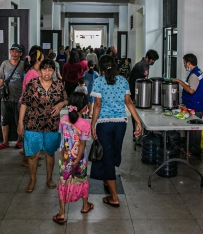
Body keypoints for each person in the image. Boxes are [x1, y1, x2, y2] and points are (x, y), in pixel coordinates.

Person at [90, 55, 142, 207]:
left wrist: (93, 124)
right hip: (121, 124)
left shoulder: (99, 81)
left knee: (107, 158)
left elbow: (97, 105)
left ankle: (114, 197)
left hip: (104, 124)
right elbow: (129, 102)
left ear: (101, 66)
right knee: (113, 154)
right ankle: (108, 179)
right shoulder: (123, 80)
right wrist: (138, 122)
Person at [18, 59, 68, 193]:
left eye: (50, 70)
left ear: (53, 71)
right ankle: (32, 179)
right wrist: (20, 122)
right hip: (33, 124)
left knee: (50, 153)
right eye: (44, 69)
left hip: (52, 124)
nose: (47, 72)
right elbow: (24, 103)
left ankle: (49, 178)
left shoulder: (58, 85)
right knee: (33, 154)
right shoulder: (32, 84)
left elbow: (66, 99)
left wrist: (60, 105)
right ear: (40, 70)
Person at [53, 92, 93, 225]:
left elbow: (63, 137)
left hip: (64, 158)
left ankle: (62, 213)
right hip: (80, 160)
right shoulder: (85, 124)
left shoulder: (63, 119)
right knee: (81, 180)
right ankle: (85, 206)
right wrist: (77, 159)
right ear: (85, 108)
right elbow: (82, 144)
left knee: (63, 182)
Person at [173, 53, 203, 157]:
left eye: (184, 63)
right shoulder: (198, 71)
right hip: (198, 103)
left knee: (195, 130)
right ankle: (189, 147)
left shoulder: (194, 75)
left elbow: (191, 90)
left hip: (196, 105)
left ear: (189, 63)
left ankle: (194, 150)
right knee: (192, 128)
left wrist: (179, 82)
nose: (184, 65)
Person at [0, 43, 24, 150]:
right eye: (12, 51)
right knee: (4, 121)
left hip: (19, 99)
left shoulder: (23, 65)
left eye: (16, 51)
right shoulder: (5, 64)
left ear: (21, 53)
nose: (14, 53)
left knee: (19, 122)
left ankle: (19, 141)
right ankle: (5, 142)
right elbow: (0, 79)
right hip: (5, 98)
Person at [128, 49, 159, 134]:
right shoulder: (140, 66)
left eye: (154, 61)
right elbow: (138, 82)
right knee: (136, 113)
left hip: (140, 93)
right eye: (152, 60)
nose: (152, 62)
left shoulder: (145, 65)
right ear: (147, 57)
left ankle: (140, 132)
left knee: (140, 113)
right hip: (135, 93)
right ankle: (136, 133)